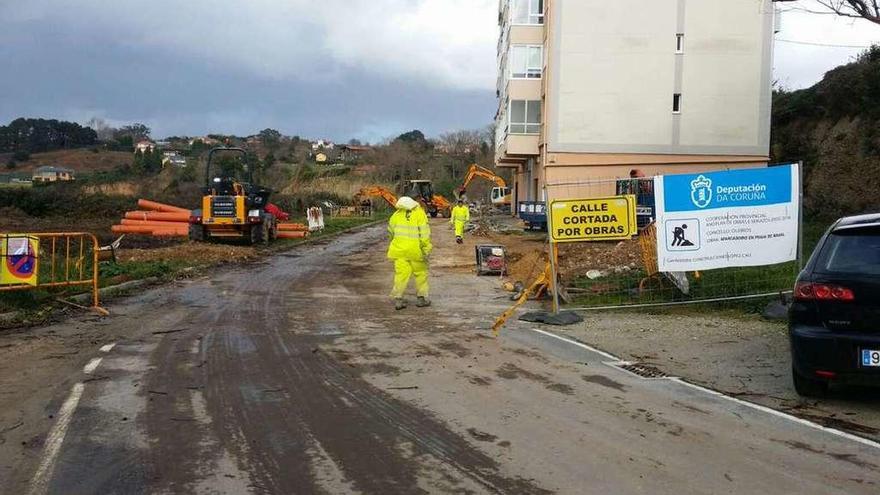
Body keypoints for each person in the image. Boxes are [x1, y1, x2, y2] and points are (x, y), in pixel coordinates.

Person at [387, 196, 432, 310]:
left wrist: (395, 242)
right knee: (420, 274)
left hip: (400, 251)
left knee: (400, 276)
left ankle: (399, 300)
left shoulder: (396, 215)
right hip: (416, 251)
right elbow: (424, 234)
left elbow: (390, 233)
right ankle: (421, 299)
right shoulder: (419, 213)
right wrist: (426, 249)